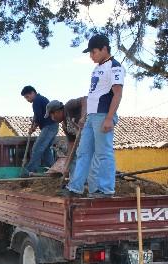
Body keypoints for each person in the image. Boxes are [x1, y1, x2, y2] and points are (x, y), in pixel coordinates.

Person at [67, 34, 124, 197]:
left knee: (103, 153)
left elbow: (118, 94)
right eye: (90, 53)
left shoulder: (115, 67)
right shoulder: (97, 68)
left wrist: (109, 118)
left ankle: (106, 189)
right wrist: (85, 115)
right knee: (83, 152)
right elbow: (91, 95)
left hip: (103, 114)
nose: (92, 56)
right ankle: (75, 187)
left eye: (94, 52)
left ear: (104, 49)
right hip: (92, 116)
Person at [21, 85, 58, 176]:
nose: (27, 100)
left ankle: (29, 171)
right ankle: (53, 170)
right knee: (45, 150)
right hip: (54, 126)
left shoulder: (37, 101)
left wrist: (33, 128)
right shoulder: (41, 99)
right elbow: (37, 116)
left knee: (37, 148)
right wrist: (33, 126)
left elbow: (38, 118)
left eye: (27, 97)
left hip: (49, 127)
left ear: (32, 93)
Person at [45, 97, 87, 176]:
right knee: (74, 159)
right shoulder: (65, 126)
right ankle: (74, 183)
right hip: (83, 143)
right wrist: (66, 166)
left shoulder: (69, 106)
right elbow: (71, 144)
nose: (52, 119)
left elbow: (85, 99)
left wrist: (83, 117)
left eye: (52, 115)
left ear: (57, 111)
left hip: (93, 134)